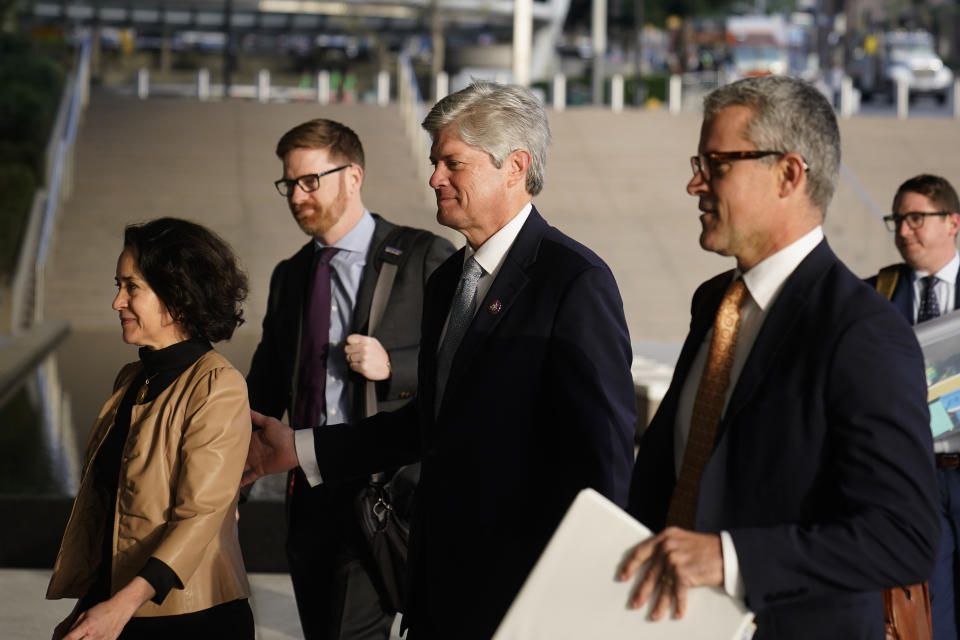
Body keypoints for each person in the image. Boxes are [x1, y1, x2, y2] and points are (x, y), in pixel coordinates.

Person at [242, 81, 637, 639]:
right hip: (437, 587)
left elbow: (601, 460)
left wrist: (570, 603)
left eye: (452, 163)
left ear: (514, 166)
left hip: (521, 598)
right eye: (434, 162)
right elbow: (429, 425)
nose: (434, 178)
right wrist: (299, 448)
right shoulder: (450, 278)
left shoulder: (573, 282)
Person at [620, 75, 939, 639]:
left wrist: (730, 557)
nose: (695, 183)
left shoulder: (863, 331)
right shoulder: (713, 304)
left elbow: (903, 537)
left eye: (716, 163)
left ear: (789, 174)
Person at [245, 118, 454, 640]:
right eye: (289, 183)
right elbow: (266, 387)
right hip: (307, 491)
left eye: (310, 180)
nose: (297, 195)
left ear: (353, 176)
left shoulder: (424, 256)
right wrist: (229, 482)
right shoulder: (290, 275)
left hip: (383, 492)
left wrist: (395, 366)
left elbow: (461, 365)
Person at [47, 218, 253, 639]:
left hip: (189, 620)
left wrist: (117, 607)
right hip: (123, 610)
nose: (117, 301)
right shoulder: (131, 380)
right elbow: (112, 515)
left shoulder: (216, 384)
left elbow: (200, 518)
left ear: (178, 297)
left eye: (131, 287)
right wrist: (92, 606)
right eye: (118, 285)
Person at [866, 174, 960, 640]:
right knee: (929, 610)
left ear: (953, 222)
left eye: (916, 218)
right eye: (898, 220)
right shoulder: (875, 293)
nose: (904, 231)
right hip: (914, 478)